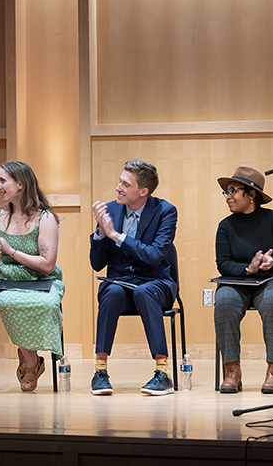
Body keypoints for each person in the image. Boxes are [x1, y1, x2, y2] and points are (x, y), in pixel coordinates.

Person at [89, 159, 178, 396]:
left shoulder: (165, 212)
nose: (118, 187)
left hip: (156, 282)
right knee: (112, 292)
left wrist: (116, 235)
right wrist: (100, 233)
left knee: (144, 291)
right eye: (119, 181)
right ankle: (100, 372)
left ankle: (162, 373)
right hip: (120, 283)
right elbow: (97, 265)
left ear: (143, 191)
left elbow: (154, 256)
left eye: (125, 184)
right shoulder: (110, 210)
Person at [0, 161, 64, 392]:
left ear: (20, 184)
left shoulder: (45, 218)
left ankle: (30, 356)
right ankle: (31, 361)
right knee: (10, 302)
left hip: (39, 280)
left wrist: (12, 252)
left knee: (47, 303)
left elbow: (47, 265)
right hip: (3, 280)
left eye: (2, 181)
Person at [214, 167, 273, 394]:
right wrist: (247, 269)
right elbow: (223, 264)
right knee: (224, 301)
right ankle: (231, 370)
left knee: (272, 301)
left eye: (233, 190)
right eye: (226, 192)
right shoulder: (225, 226)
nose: (228, 196)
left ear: (251, 194)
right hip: (239, 280)